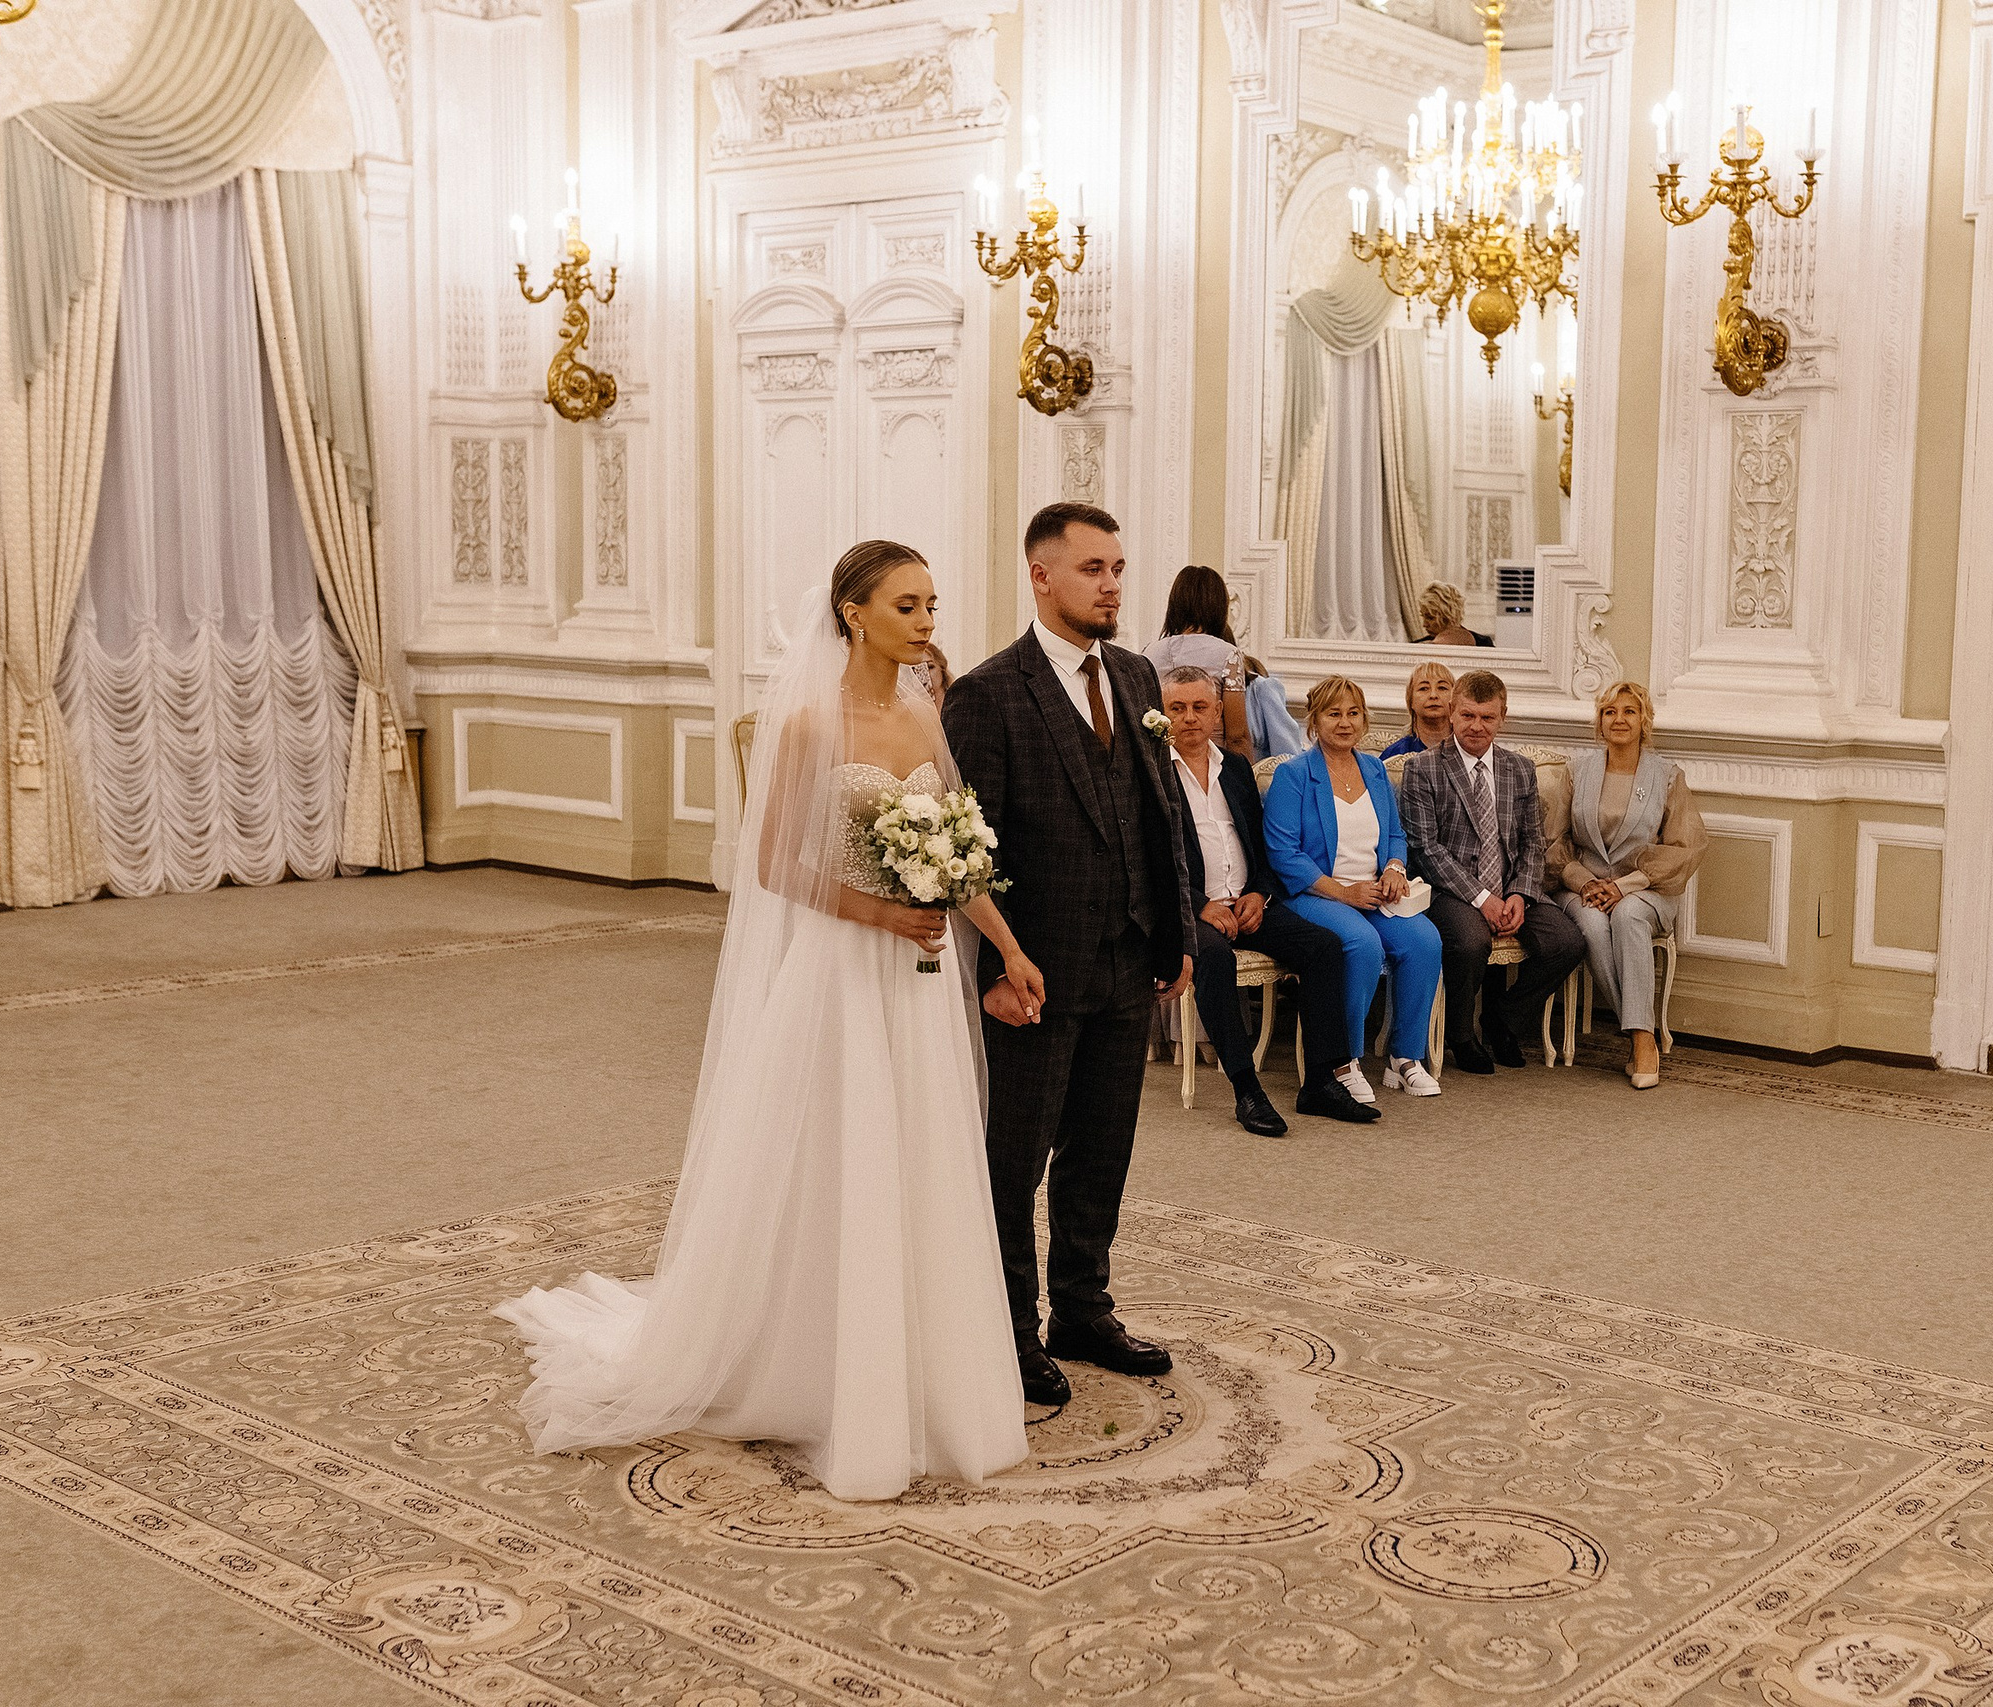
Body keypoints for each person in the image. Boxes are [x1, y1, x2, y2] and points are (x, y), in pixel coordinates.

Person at [495, 542, 1029, 1501]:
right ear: (853, 612)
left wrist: (1010, 944)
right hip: (841, 966)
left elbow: (959, 854)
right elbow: (777, 864)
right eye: (906, 605)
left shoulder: (922, 712)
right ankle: (806, 1364)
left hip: (917, 976)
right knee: (836, 1153)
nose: (926, 622)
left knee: (918, 1155)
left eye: (933, 605)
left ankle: (922, 1370)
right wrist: (880, 912)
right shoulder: (810, 722)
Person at [942, 502, 1200, 1409]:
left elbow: (1160, 812)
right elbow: (968, 854)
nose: (1112, 585)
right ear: (1040, 575)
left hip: (1129, 958)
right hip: (1035, 971)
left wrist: (1175, 932)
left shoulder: (1135, 674)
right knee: (1015, 1157)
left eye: (1119, 568)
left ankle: (1082, 1308)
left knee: (1103, 1147)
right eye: (1093, 569)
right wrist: (989, 974)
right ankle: (1009, 1329)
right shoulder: (988, 692)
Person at [1160, 665, 1377, 1134]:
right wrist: (1200, 905)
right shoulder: (1152, 774)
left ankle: (1320, 1081)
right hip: (1189, 906)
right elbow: (1149, 859)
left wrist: (1259, 891)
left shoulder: (1236, 768)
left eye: (1200, 707)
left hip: (1248, 902)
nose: (1190, 718)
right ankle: (1247, 1090)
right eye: (1178, 708)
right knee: (1213, 957)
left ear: (1218, 710)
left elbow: (1260, 847)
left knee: (1323, 947)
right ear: (1163, 713)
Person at [1264, 677, 1445, 1099]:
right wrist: (1344, 892)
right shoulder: (1293, 775)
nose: (1344, 723)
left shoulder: (1375, 769)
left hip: (1376, 893)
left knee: (1424, 941)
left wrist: (1395, 868)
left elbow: (1396, 834)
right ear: (1314, 720)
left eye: (1353, 713)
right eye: (1333, 713)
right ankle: (1344, 1061)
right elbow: (1283, 853)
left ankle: (1404, 1059)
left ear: (1364, 719)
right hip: (1316, 894)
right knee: (1362, 944)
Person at [1398, 669, 1585, 1074]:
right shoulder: (1423, 768)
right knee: (1469, 940)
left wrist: (1519, 894)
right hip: (1452, 891)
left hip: (1511, 886)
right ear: (1451, 713)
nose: (1476, 726)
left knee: (1567, 941)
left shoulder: (1519, 769)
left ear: (1503, 717)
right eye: (1468, 716)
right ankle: (1460, 1035)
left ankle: (1503, 1019)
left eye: (1487, 717)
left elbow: (1531, 843)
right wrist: (1483, 900)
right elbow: (1425, 849)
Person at [1549, 681, 1709, 1089]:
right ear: (1599, 721)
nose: (1619, 719)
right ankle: (1643, 1034)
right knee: (1593, 924)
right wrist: (1584, 882)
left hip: (1647, 891)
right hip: (1581, 887)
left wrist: (1625, 886)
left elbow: (1684, 848)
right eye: (1609, 711)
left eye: (1630, 711)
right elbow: (1554, 841)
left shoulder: (1667, 776)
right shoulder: (1577, 771)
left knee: (1627, 916)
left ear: (1645, 721)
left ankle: (1638, 1037)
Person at [1144, 564, 1251, 758]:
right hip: (1210, 762)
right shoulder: (1229, 654)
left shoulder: (1150, 652)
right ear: (1220, 607)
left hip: (1162, 762)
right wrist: (1244, 780)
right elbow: (1237, 736)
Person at [1379, 660, 1456, 759]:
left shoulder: (1468, 749)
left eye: (1442, 688)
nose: (1433, 695)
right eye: (1424, 688)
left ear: (1454, 699)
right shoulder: (1395, 754)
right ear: (1411, 700)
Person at [1411, 580, 1493, 648]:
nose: (1424, 624)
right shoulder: (1416, 647)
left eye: (1430, 618)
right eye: (1423, 617)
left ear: (1449, 616)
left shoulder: (1483, 644)